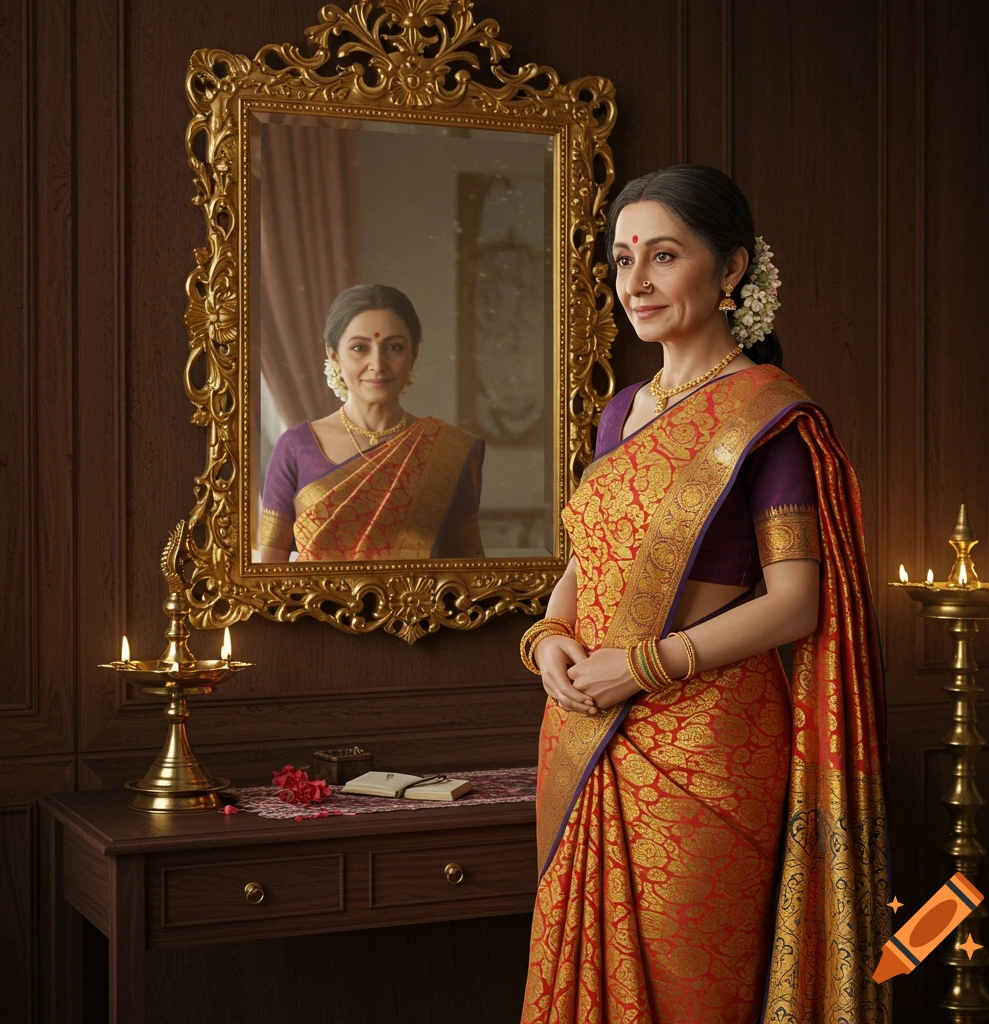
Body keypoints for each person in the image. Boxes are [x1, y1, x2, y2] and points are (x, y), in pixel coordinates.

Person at [519, 165, 890, 1024]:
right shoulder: (622, 412)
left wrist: (642, 665)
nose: (636, 283)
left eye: (663, 255)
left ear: (730, 271)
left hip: (708, 744)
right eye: (621, 260)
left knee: (695, 991)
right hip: (587, 725)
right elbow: (589, 555)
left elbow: (798, 602)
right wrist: (548, 637)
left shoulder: (770, 418)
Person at [259, 284, 485, 561]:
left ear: (413, 354)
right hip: (313, 605)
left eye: (394, 347)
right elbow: (271, 565)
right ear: (334, 356)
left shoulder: (449, 450)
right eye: (359, 348)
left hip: (417, 605)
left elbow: (469, 563)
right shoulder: (296, 446)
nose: (378, 364)